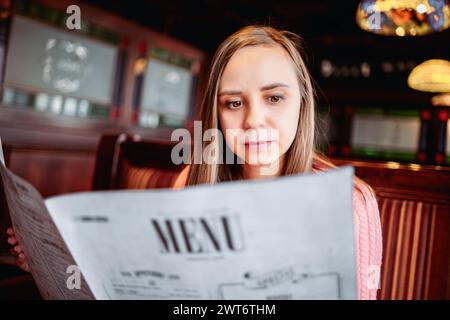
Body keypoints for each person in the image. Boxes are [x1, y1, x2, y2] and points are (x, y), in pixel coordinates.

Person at [6, 25, 382, 299]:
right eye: (234, 103)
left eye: (274, 98)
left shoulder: (352, 201)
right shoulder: (194, 179)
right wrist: (52, 262)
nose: (253, 120)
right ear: (216, 114)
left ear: (302, 103)